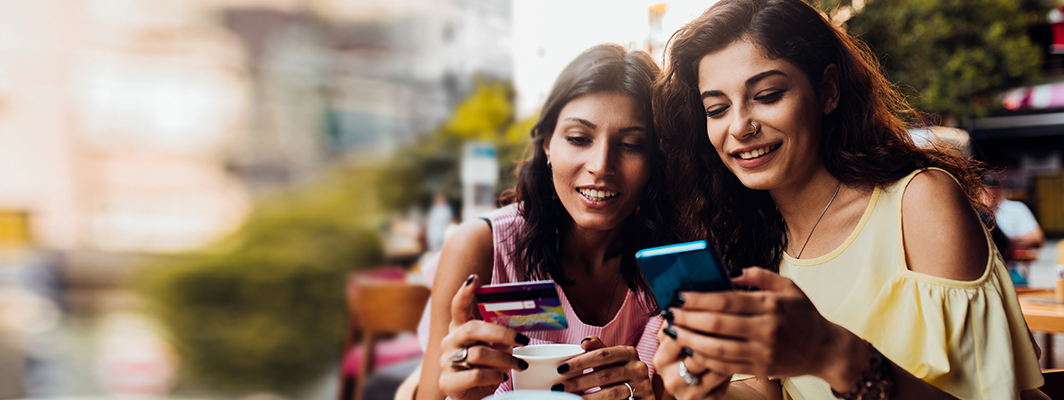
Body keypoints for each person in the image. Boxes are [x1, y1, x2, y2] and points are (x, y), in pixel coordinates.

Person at [652, 0, 1043, 399]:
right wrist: (704, 388)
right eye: (716, 109)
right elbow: (759, 390)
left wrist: (831, 353)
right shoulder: (747, 233)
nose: (739, 126)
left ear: (828, 91)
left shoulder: (919, 202)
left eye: (768, 95)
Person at [416, 43, 675, 400]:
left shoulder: (671, 264)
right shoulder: (482, 246)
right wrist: (456, 393)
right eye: (579, 138)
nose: (601, 165)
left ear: (655, 161)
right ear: (548, 144)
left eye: (631, 144)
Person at [982, 172, 1044, 284]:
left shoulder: (1016, 209)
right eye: (987, 192)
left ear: (1001, 189)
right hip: (984, 271)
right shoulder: (976, 211)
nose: (990, 197)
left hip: (1011, 270)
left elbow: (1037, 239)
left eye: (993, 193)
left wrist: (1008, 241)